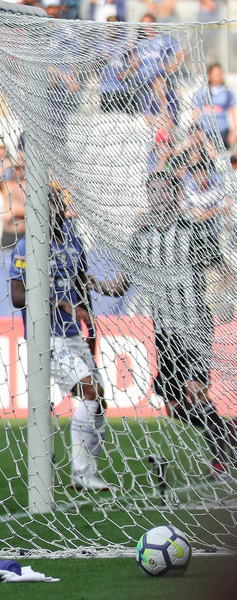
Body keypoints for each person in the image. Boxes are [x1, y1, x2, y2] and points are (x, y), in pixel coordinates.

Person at [94, 173, 237, 476]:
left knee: (197, 391)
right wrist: (93, 283)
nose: (157, 196)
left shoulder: (194, 230)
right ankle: (227, 429)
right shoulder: (140, 238)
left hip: (195, 324)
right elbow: (121, 286)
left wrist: (224, 297)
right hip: (165, 329)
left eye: (163, 191)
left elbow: (222, 267)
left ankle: (219, 460)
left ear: (175, 194)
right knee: (173, 405)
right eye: (152, 190)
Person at [9, 190, 112, 491]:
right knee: (89, 391)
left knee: (100, 400)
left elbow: (81, 290)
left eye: (58, 205)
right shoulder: (27, 246)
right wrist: (60, 304)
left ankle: (85, 468)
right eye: (47, 205)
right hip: (46, 338)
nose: (54, 211)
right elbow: (17, 297)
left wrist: (89, 329)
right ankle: (81, 472)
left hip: (73, 335)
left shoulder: (74, 243)